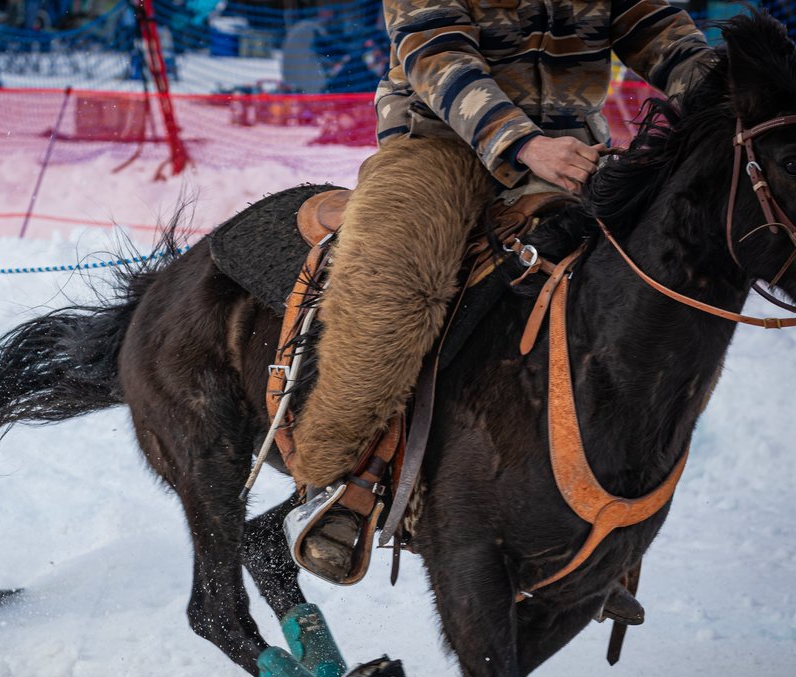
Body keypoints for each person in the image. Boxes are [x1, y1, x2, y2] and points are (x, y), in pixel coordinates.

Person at [284, 0, 716, 591]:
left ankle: (605, 512)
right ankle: (339, 482)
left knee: (655, 283)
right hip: (437, 138)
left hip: (572, 146)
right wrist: (524, 143)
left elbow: (658, 29)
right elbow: (434, 51)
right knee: (391, 281)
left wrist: (736, 97)